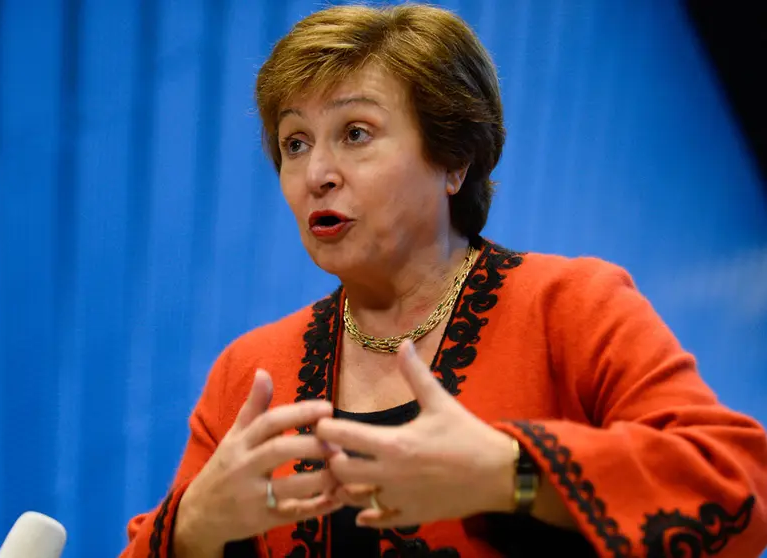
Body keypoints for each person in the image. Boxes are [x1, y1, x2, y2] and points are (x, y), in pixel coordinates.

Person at [120, 4, 767, 557]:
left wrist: (509, 474)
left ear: (453, 160)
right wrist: (194, 530)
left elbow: (737, 487)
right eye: (294, 143)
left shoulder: (569, 305)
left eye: (355, 133)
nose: (317, 172)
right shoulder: (249, 371)